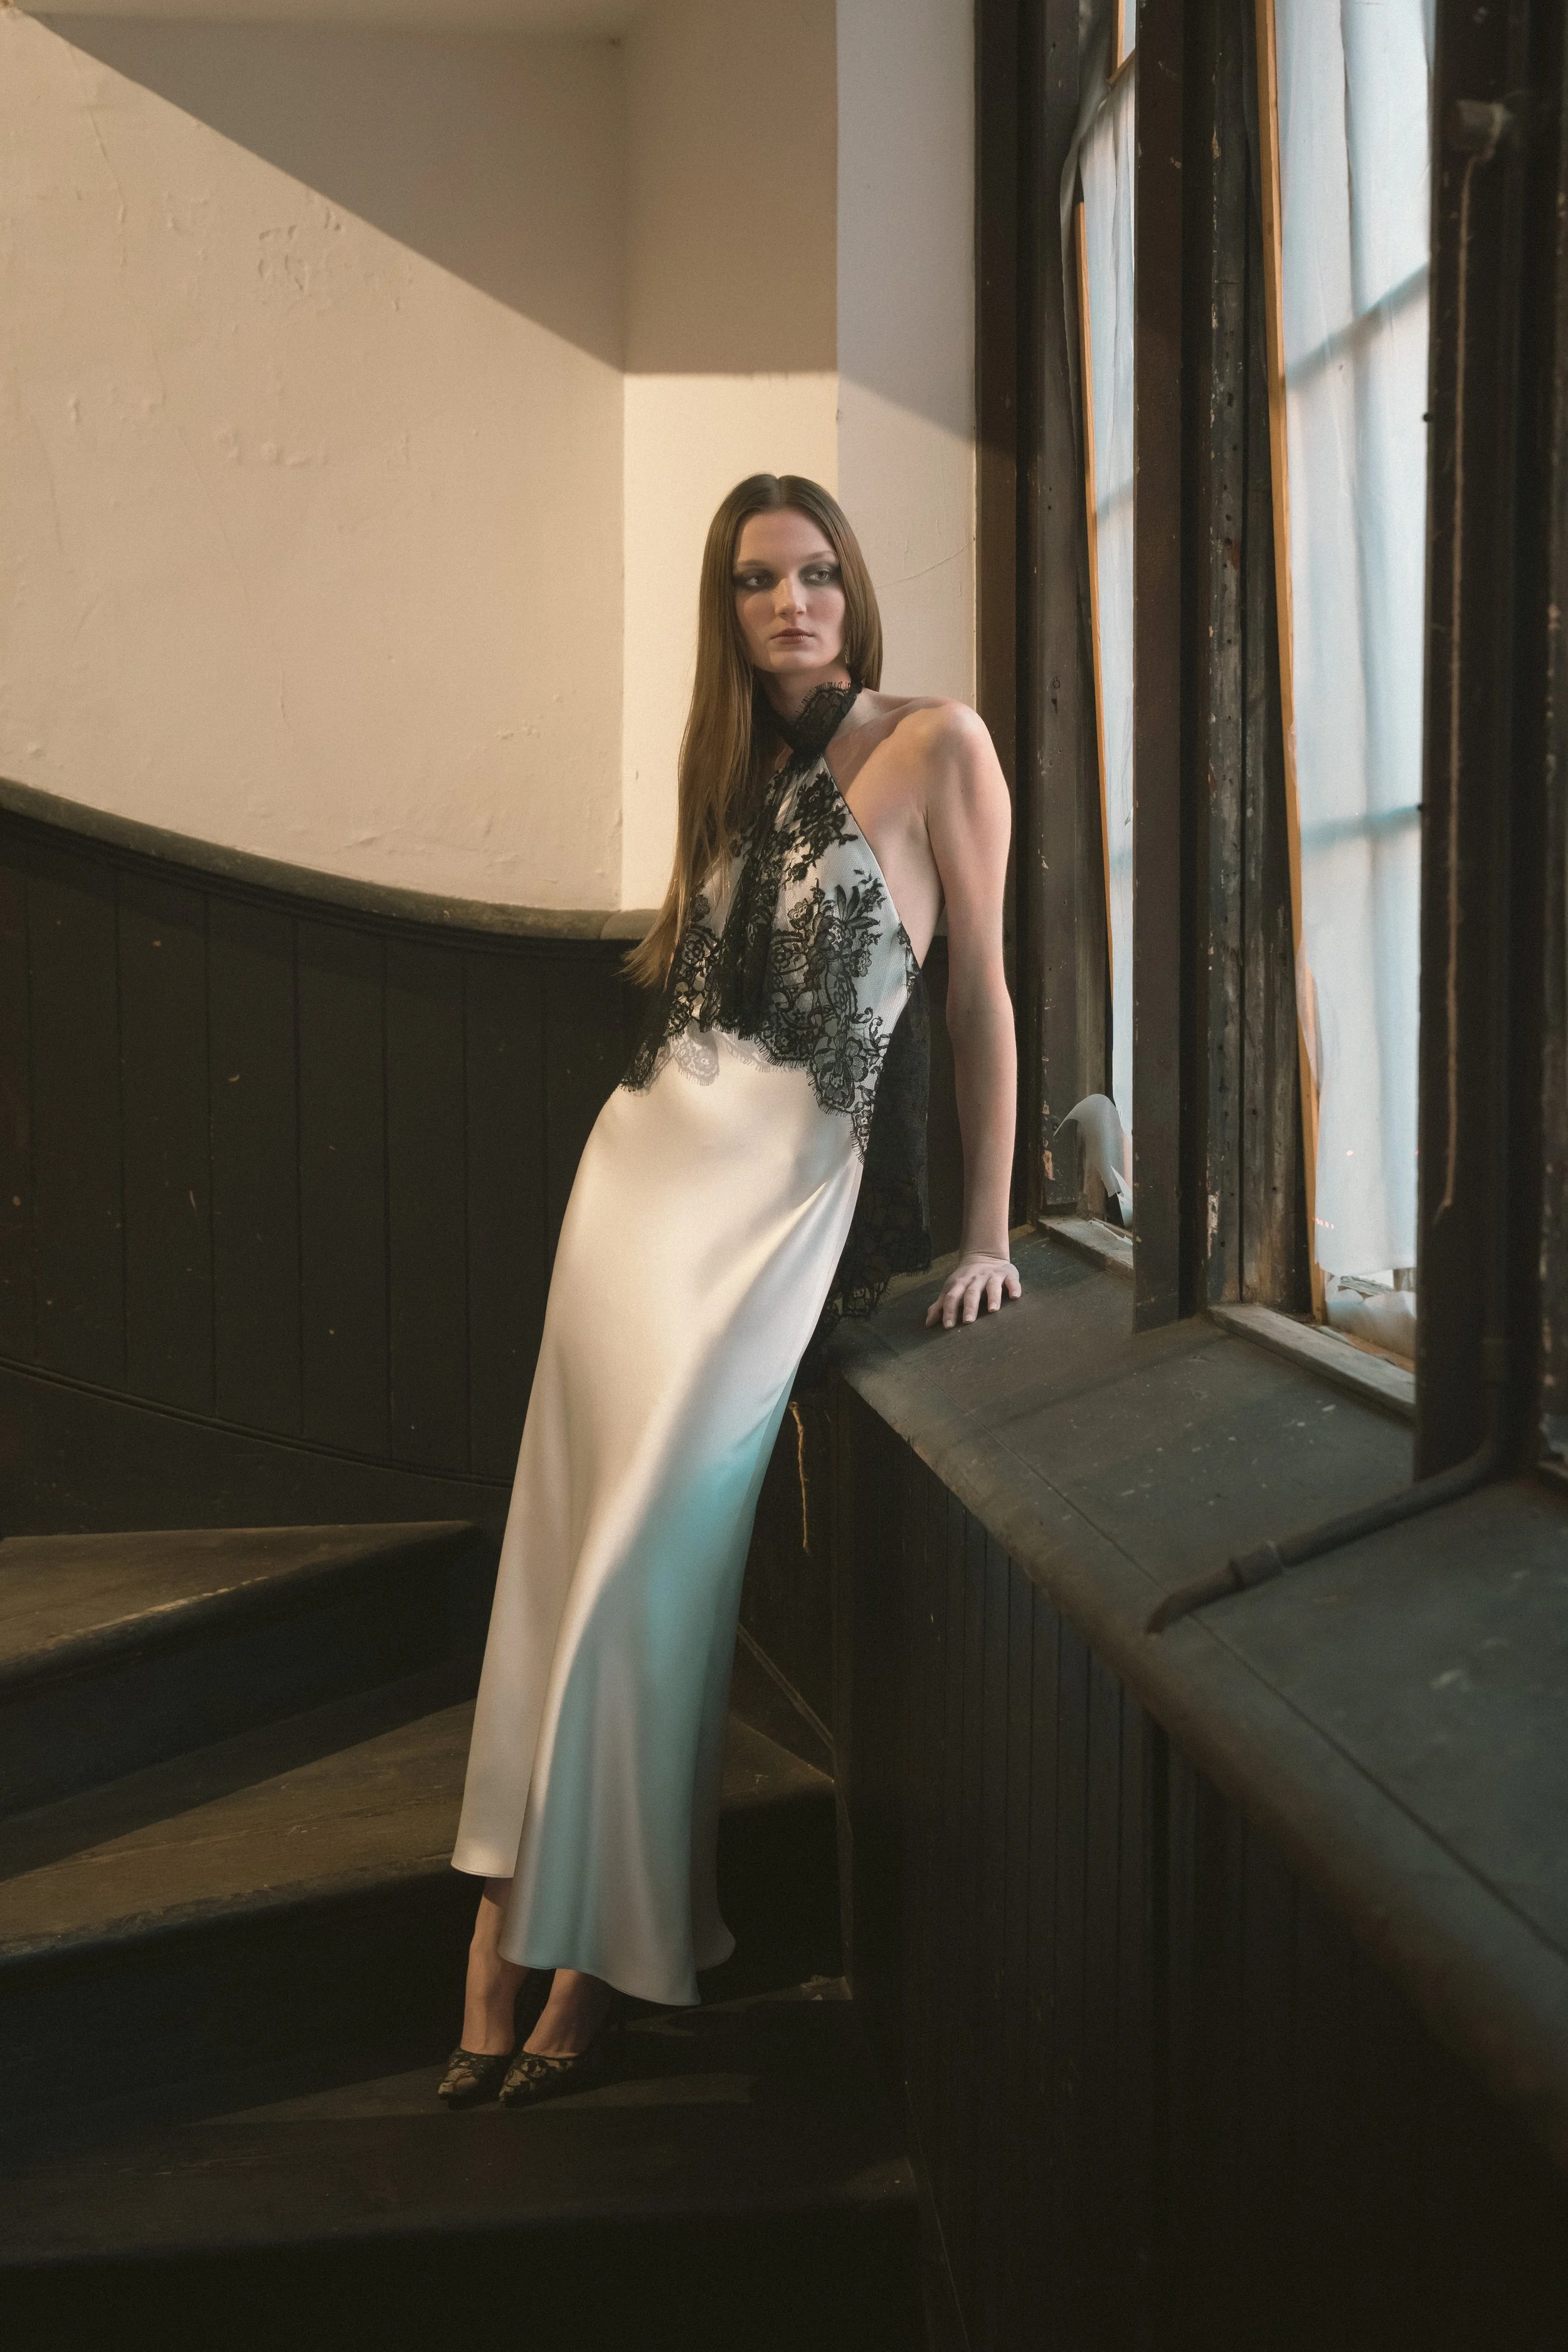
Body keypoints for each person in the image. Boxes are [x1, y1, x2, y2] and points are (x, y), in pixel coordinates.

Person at [440, 473, 1020, 2109]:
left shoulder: (937, 745)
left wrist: (989, 1231)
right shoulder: (724, 770)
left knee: (648, 1571)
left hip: (770, 1219)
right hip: (629, 1193)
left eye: (817, 572)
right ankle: (498, 1933)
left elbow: (979, 1002)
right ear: (729, 607)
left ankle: (589, 1953)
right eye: (760, 580)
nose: (793, 603)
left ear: (854, 588)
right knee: (564, 1562)